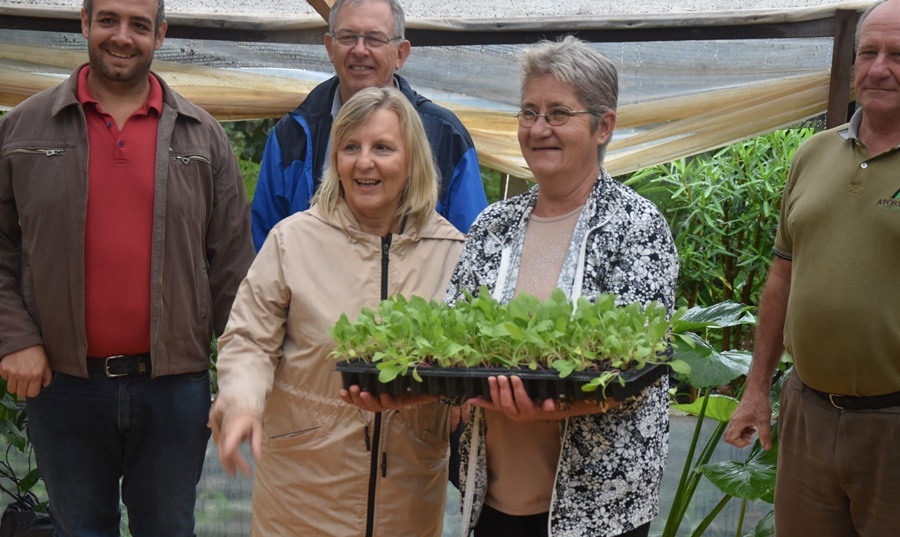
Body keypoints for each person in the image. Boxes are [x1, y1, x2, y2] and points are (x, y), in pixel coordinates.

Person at [0, 0, 255, 535]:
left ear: (160, 34)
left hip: (173, 386)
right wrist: (14, 335)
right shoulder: (23, 130)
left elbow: (233, 271)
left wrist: (240, 381)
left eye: (140, 25)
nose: (123, 36)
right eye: (109, 20)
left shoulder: (203, 138)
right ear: (85, 24)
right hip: (63, 387)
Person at [444, 36, 678, 537]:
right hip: (492, 500)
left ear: (603, 126)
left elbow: (641, 367)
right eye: (529, 113)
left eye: (558, 113)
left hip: (596, 511)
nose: (538, 129)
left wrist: (549, 404)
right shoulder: (492, 226)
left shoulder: (635, 226)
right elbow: (450, 343)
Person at [209, 86, 465, 536]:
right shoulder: (293, 241)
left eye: (382, 148)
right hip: (301, 498)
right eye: (350, 147)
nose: (364, 162)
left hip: (406, 502)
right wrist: (242, 399)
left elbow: (470, 363)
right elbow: (249, 339)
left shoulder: (453, 252)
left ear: (412, 161)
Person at [724, 1, 900, 534]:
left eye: (898, 54)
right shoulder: (812, 154)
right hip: (808, 413)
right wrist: (757, 389)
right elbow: (782, 277)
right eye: (868, 52)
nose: (879, 68)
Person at [250, 0, 487, 250]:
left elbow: (472, 251)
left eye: (374, 39)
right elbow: (266, 246)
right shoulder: (292, 135)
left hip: (412, 287)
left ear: (401, 53)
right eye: (348, 37)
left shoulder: (444, 135)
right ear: (330, 48)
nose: (360, 50)